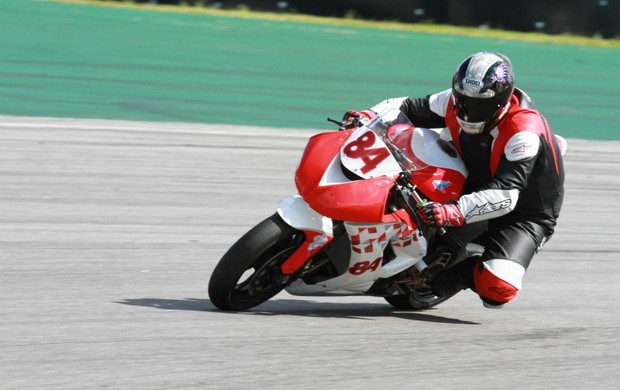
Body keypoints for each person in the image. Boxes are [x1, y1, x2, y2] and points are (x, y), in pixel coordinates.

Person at [343, 51, 565, 308]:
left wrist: (452, 212)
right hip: (470, 172)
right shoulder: (452, 100)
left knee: (498, 289)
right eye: (463, 101)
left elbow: (506, 195)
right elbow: (404, 107)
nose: (467, 111)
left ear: (500, 101)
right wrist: (367, 117)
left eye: (478, 105)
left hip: (524, 211)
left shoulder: (523, 133)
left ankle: (461, 274)